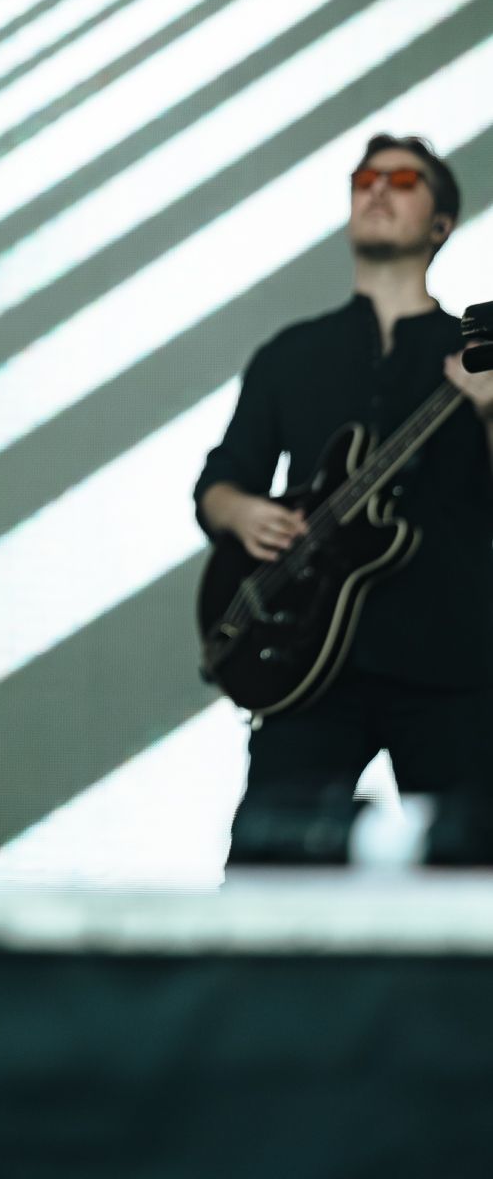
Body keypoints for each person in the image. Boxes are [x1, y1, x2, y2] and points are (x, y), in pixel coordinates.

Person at [195, 134, 493, 854]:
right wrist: (243, 512)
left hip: (452, 660)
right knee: (267, 870)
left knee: (473, 876)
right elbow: (218, 483)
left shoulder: (478, 352)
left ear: (440, 224)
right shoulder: (290, 353)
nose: (377, 189)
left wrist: (487, 412)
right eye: (364, 179)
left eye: (402, 180)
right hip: (305, 664)